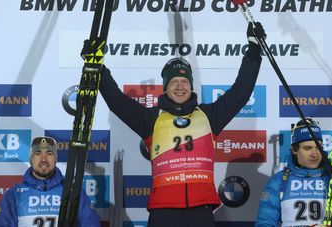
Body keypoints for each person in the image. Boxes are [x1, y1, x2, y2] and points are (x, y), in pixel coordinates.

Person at [81, 22, 265, 226]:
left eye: (184, 81)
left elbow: (241, 92)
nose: (180, 87)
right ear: (166, 88)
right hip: (163, 213)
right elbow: (117, 101)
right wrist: (98, 67)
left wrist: (254, 50)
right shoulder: (151, 119)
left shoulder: (209, 116)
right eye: (174, 82)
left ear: (191, 86)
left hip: (201, 211)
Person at [255, 118, 332, 227]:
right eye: (307, 148)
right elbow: (265, 223)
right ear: (295, 150)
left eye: (318, 147)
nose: (315, 154)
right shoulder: (279, 181)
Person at [0, 136, 100, 227]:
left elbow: (91, 223)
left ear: (55, 158)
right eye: (38, 153)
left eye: (49, 153)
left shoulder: (73, 192)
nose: (43, 159)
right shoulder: (14, 194)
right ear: (31, 158)